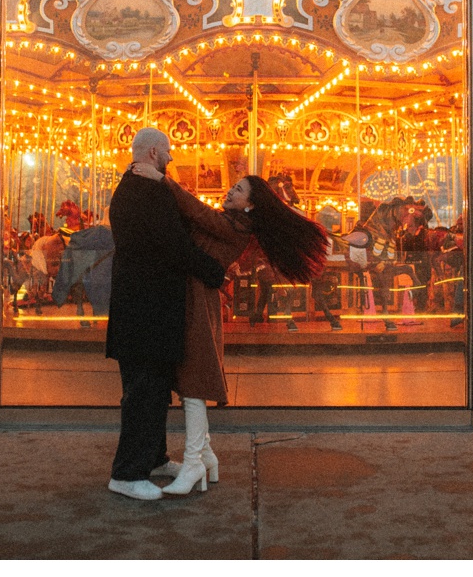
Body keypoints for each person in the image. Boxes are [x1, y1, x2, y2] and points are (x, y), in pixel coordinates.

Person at [130, 165, 331, 495]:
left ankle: (194, 461)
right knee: (189, 379)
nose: (230, 192)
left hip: (197, 301)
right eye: (233, 187)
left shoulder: (235, 227)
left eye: (238, 190)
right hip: (193, 297)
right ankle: (206, 455)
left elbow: (196, 210)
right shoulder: (235, 223)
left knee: (194, 382)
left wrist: (163, 179)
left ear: (250, 204)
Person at [105, 128, 231, 501]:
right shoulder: (147, 191)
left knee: (154, 390)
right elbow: (176, 245)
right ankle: (126, 473)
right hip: (147, 310)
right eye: (170, 152)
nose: (172, 159)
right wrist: (215, 272)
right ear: (155, 152)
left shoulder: (134, 187)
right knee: (144, 393)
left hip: (143, 308)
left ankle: (154, 458)